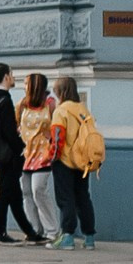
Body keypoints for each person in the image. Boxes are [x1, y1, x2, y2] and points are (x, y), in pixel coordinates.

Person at [0, 63, 43, 244]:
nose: (14, 78)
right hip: (9, 155)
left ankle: (30, 233)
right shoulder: (4, 100)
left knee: (14, 194)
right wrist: (21, 148)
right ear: (6, 78)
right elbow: (8, 130)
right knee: (6, 193)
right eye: (12, 75)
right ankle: (0, 234)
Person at [50, 75, 103, 249]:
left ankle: (67, 236)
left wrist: (52, 157)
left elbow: (58, 137)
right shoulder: (83, 110)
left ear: (61, 92)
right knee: (83, 197)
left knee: (66, 198)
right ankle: (89, 237)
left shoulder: (61, 111)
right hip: (82, 161)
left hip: (64, 160)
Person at [17, 72, 62, 246]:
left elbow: (57, 127)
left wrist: (51, 138)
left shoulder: (50, 104)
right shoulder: (22, 104)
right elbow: (16, 124)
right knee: (26, 191)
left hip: (43, 155)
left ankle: (52, 230)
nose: (24, 86)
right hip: (26, 153)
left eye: (26, 83)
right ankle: (35, 230)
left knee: (39, 190)